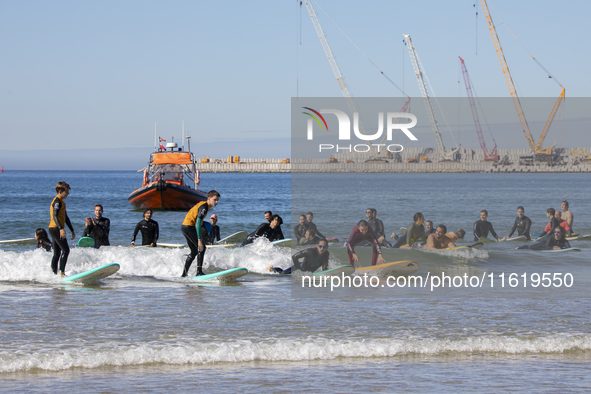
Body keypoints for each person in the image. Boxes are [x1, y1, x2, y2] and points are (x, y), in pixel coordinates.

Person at [180, 190, 220, 277]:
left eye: (217, 200)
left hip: (185, 227)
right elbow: (198, 223)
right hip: (188, 227)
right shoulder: (204, 207)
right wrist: (199, 239)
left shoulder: (204, 205)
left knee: (194, 251)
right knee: (202, 248)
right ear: (209, 199)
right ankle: (199, 272)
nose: (216, 202)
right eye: (215, 200)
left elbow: (197, 219)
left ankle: (184, 275)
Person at [48, 181, 75, 277]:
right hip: (55, 228)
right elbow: (55, 216)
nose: (68, 194)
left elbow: (66, 217)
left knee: (57, 253)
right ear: (60, 191)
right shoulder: (57, 201)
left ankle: (53, 274)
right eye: (66, 191)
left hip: (54, 229)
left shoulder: (62, 202)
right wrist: (61, 229)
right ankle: (62, 273)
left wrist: (71, 230)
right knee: (66, 250)